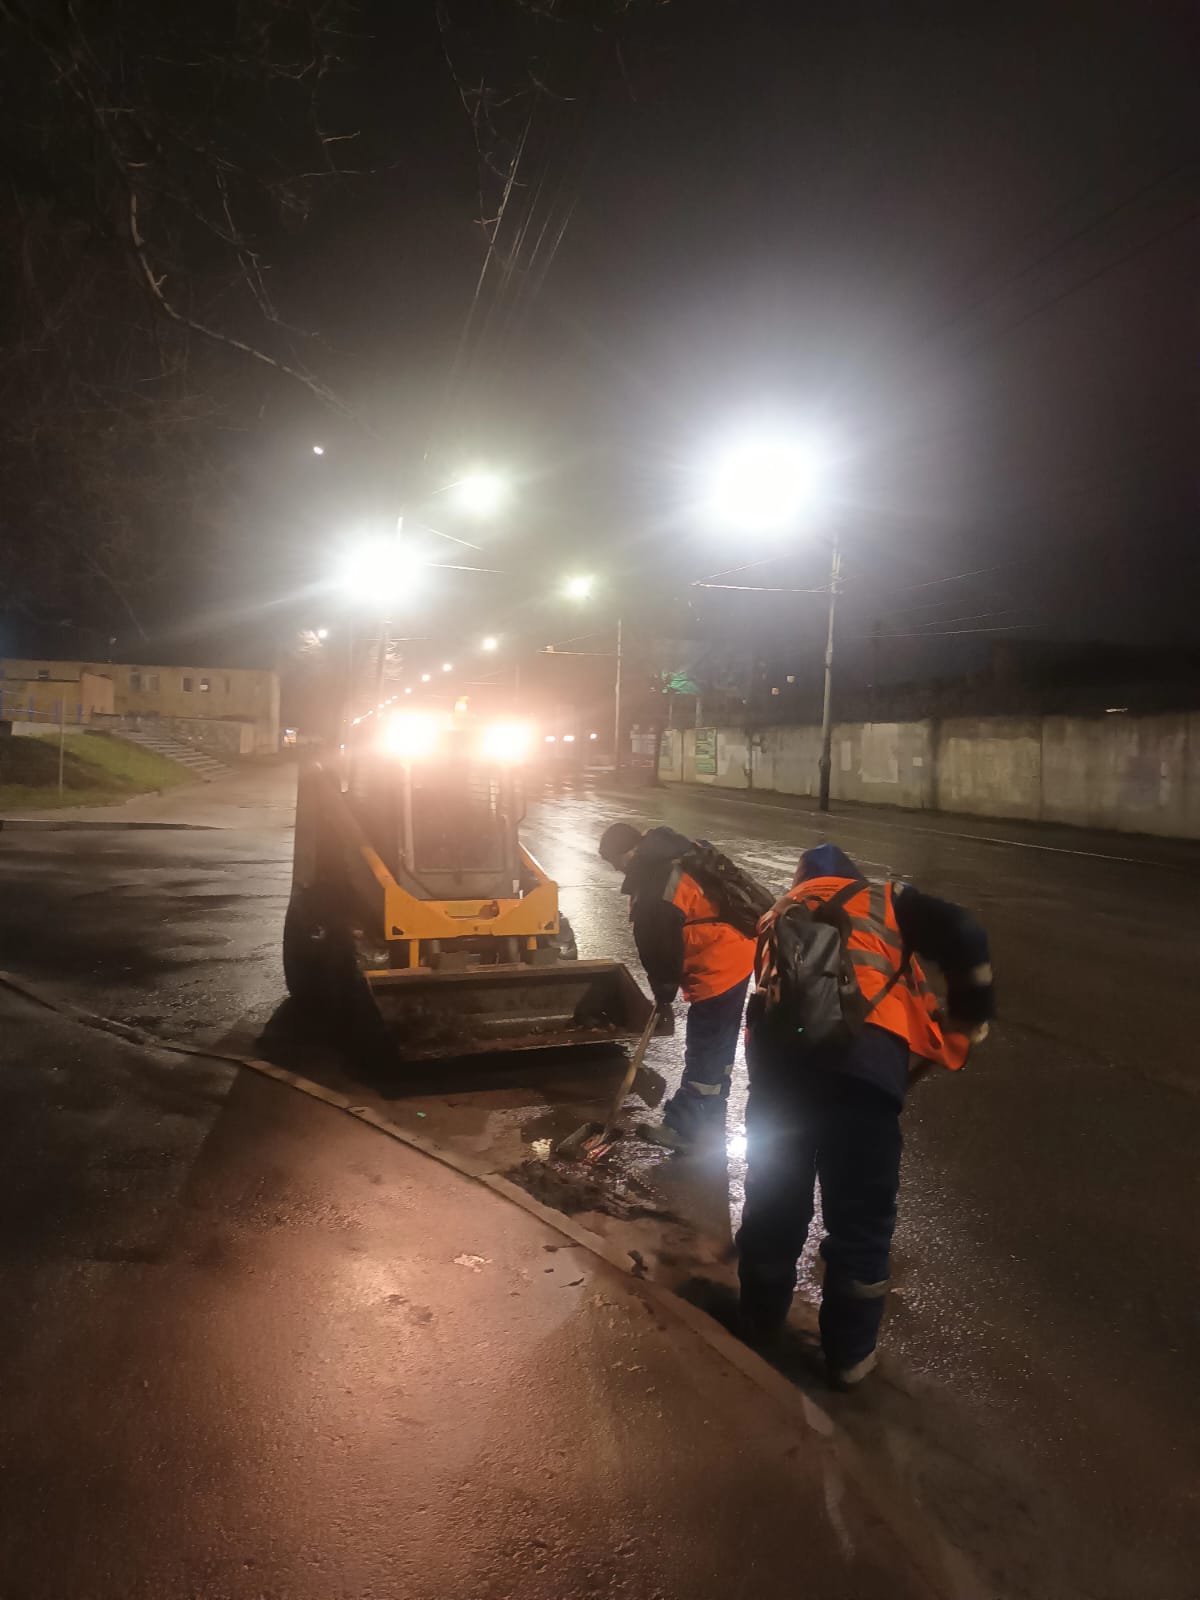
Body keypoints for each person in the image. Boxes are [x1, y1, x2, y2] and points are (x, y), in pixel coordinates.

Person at [737, 842, 994, 1388]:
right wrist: (970, 1018)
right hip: (862, 1080)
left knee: (773, 1203)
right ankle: (849, 1359)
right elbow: (967, 932)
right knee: (860, 1221)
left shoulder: (777, 913)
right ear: (852, 876)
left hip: (781, 1082)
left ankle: (758, 1323)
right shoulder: (887, 900)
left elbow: (759, 1010)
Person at [599, 821, 756, 1151]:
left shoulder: (656, 881)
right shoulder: (673, 858)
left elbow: (659, 947)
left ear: (627, 853)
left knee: (706, 1049)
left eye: (614, 861)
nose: (615, 869)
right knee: (718, 1051)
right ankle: (708, 1131)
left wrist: (664, 990)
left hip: (717, 966)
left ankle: (685, 1129)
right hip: (734, 955)